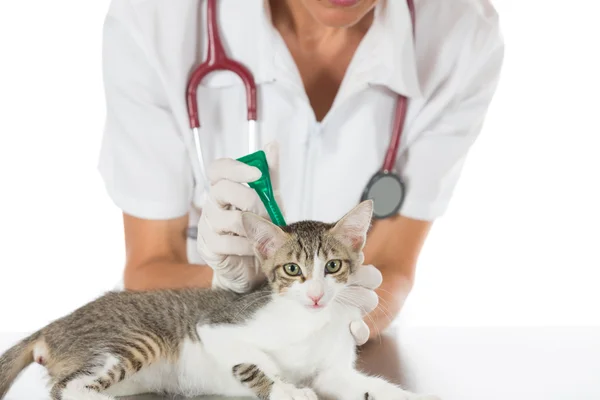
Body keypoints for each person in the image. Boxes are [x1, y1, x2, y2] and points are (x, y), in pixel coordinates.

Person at [98, 0, 504, 345]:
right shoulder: (155, 19)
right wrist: (229, 287)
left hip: (340, 355)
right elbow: (148, 266)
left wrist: (348, 327)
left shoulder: (461, 35)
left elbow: (390, 266)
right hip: (191, 339)